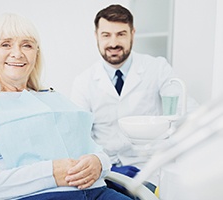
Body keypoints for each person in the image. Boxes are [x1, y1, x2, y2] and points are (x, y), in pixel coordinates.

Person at [0, 13, 132, 200]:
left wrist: (99, 162)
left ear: (36, 54)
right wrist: (50, 173)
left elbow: (93, 148)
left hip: (98, 192)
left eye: (27, 45)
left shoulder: (53, 98)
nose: (17, 53)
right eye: (6, 44)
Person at [70, 4, 199, 191]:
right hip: (107, 170)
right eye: (106, 35)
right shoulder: (83, 81)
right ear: (96, 35)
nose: (113, 43)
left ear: (132, 33)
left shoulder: (157, 68)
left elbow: (187, 111)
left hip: (150, 167)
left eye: (121, 34)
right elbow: (77, 134)